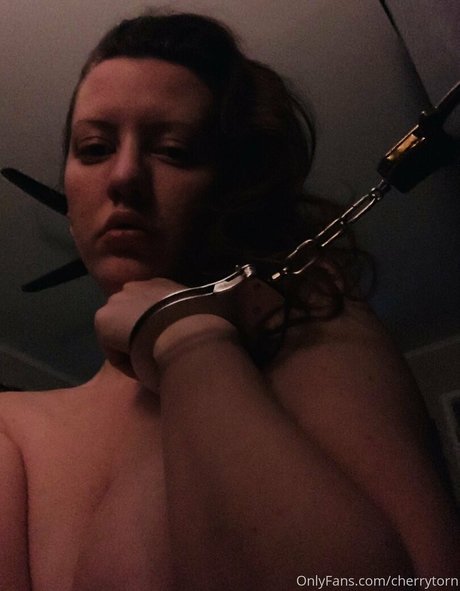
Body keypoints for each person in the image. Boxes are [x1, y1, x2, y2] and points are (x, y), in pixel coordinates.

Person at [0, 12, 459, 591]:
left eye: (173, 150)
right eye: (93, 148)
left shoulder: (306, 325)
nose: (124, 176)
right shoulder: (12, 427)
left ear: (230, 185)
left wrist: (185, 337)